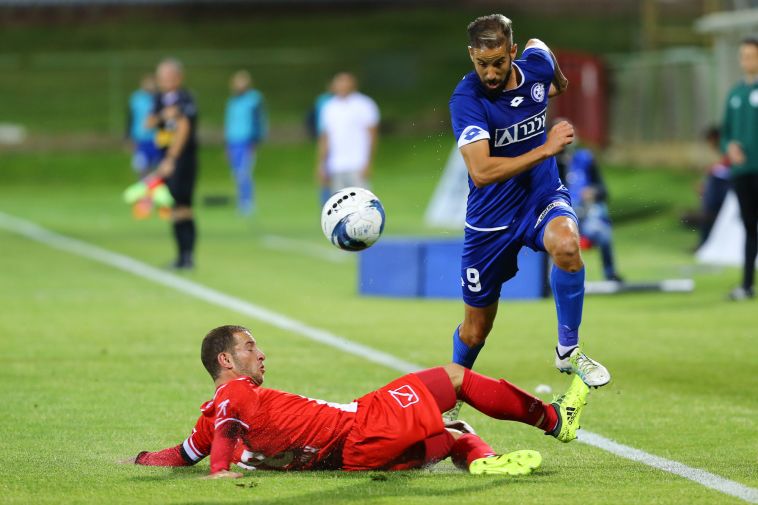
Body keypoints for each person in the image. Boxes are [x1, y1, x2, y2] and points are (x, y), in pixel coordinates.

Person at [124, 325, 589, 478]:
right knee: (453, 378)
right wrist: (220, 471)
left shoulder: (218, 411)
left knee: (451, 436)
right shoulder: (234, 393)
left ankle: (484, 461)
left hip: (351, 458)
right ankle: (556, 420)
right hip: (361, 424)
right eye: (249, 348)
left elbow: (182, 454)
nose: (261, 353)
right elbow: (224, 430)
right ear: (225, 359)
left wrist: (142, 458)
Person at [447, 14, 610, 409]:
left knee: (568, 247)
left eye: (498, 62)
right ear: (471, 55)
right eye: (481, 63)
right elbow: (482, 172)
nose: (489, 72)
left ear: (513, 53)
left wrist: (559, 81)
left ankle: (568, 351)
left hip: (541, 197)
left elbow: (545, 60)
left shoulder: (535, 66)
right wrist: (545, 148)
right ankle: (451, 400)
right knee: (475, 332)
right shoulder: (466, 100)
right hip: (491, 219)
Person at [145, 58, 199, 270]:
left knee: (183, 205)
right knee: (173, 207)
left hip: (183, 160)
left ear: (178, 77)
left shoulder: (186, 99)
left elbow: (184, 127)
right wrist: (162, 115)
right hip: (166, 158)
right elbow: (148, 122)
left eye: (167, 76)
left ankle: (187, 255)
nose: (163, 81)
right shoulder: (159, 99)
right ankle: (181, 256)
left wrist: (172, 159)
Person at [555, 133, 623, 282]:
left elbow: (603, 191)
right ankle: (555, 279)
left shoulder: (585, 159)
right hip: (562, 216)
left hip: (586, 215)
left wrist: (593, 192)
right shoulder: (551, 164)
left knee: (603, 234)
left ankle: (610, 273)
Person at [721, 36, 758, 301]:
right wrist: (729, 147)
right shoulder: (735, 94)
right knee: (749, 226)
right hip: (742, 172)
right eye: (743, 55)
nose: (746, 60)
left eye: (751, 55)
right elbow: (725, 134)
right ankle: (746, 285)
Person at [316, 72, 379, 196]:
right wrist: (322, 164)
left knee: (362, 203)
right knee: (339, 205)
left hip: (357, 163)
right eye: (339, 82)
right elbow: (325, 138)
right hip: (335, 165)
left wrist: (368, 161)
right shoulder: (329, 107)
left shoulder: (364, 104)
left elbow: (372, 135)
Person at [224, 70, 267, 215]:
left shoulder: (254, 99)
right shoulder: (232, 101)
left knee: (244, 172)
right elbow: (229, 123)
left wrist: (255, 140)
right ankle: (241, 200)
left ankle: (247, 202)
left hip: (246, 141)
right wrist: (227, 145)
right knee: (236, 174)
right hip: (233, 142)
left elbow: (258, 120)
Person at [698, 126, 731, 247]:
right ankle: (704, 242)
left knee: (709, 209)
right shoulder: (723, 151)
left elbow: (729, 165)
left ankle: (705, 242)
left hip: (729, 186)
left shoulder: (728, 146)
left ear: (714, 138)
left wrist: (712, 169)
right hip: (723, 185)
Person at [126, 74, 161, 178]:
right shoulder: (136, 98)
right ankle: (144, 189)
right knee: (142, 166)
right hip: (140, 138)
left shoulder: (159, 98)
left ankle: (155, 190)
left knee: (157, 168)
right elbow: (130, 118)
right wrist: (128, 136)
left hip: (157, 138)